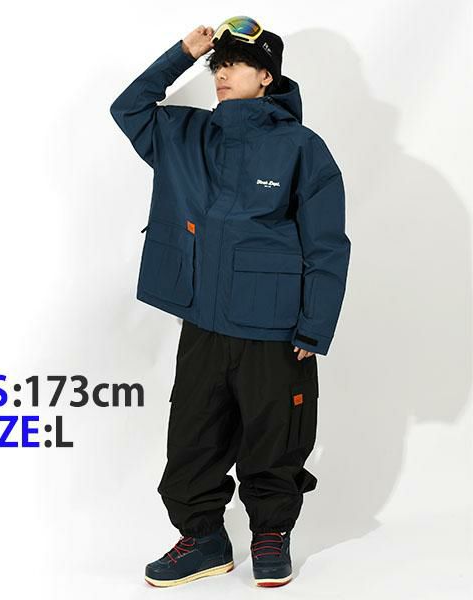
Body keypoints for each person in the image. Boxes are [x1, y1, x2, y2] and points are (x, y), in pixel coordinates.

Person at [109, 16, 351, 588]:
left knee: (275, 435)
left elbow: (326, 245)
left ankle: (271, 532)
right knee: (193, 437)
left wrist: (313, 329)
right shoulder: (185, 135)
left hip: (274, 327)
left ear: (266, 76)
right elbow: (128, 108)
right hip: (203, 320)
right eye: (217, 65)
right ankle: (204, 539)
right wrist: (182, 54)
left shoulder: (301, 148)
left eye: (235, 64)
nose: (221, 73)